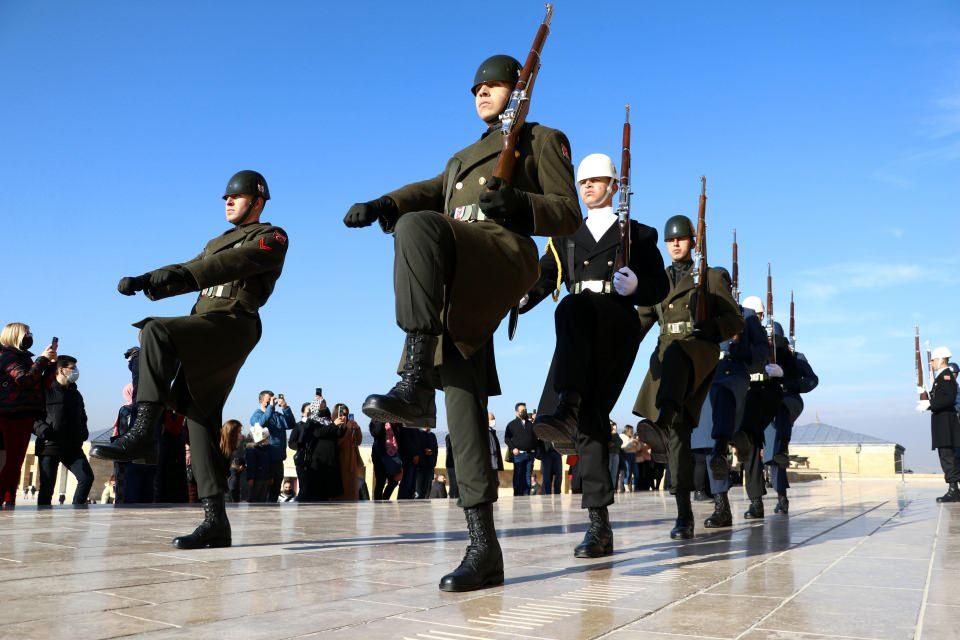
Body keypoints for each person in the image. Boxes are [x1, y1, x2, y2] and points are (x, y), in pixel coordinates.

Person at [343, 53, 580, 592]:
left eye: (494, 86)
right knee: (462, 385)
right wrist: (383, 202)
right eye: (475, 88)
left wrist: (520, 201)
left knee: (418, 228)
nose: (481, 93)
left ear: (519, 91)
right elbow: (428, 190)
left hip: (502, 254)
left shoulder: (541, 139)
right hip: (460, 274)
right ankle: (483, 546)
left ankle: (412, 376)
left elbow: (568, 212)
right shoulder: (460, 159)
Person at [91, 169, 288, 549]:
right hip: (206, 323)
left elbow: (224, 267)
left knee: (156, 331)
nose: (228, 201)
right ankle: (216, 521)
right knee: (199, 417)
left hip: (234, 323)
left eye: (237, 196)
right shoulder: (217, 240)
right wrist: (147, 280)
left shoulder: (272, 236)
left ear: (258, 202)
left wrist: (178, 273)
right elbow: (190, 271)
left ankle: (143, 434)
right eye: (226, 197)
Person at [522, 152, 669, 555]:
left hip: (616, 326)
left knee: (570, 310)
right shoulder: (566, 234)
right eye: (583, 182)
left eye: (597, 181)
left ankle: (563, 405)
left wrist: (637, 284)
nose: (588, 188)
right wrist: (519, 298)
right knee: (591, 419)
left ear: (614, 186)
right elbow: (544, 277)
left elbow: (659, 286)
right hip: (577, 331)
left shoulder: (637, 234)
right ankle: (599, 527)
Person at [633, 215, 744, 540]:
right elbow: (642, 322)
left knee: (679, 356)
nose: (676, 244)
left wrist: (712, 328)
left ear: (693, 242)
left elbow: (734, 320)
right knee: (680, 439)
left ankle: (661, 419)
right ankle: (684, 516)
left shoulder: (710, 276)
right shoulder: (658, 279)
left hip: (699, 349)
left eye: (682, 239)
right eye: (671, 240)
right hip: (668, 355)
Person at [689, 290, 768, 528]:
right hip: (709, 376)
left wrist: (743, 354)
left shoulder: (747, 316)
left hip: (736, 378)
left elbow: (762, 351)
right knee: (709, 443)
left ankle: (755, 499)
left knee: (747, 440)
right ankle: (721, 505)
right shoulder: (704, 310)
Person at [735, 298, 796, 520]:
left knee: (774, 452)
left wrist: (783, 374)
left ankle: (780, 496)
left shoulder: (777, 344)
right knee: (750, 448)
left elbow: (799, 375)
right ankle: (756, 502)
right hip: (749, 396)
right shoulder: (743, 337)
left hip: (771, 399)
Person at [0, 323, 57, 507]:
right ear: (15, 335)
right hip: (12, 414)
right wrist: (41, 360)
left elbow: (40, 385)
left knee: (14, 462)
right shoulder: (7, 356)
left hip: (23, 413)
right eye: (27, 333)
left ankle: (9, 500)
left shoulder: (24, 358)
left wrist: (50, 365)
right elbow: (24, 380)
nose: (29, 336)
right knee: (11, 461)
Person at [764, 327, 818, 514]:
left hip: (787, 401)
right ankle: (763, 498)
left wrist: (788, 384)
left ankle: (781, 497)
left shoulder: (795, 356)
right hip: (763, 402)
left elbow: (811, 380)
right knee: (770, 449)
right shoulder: (759, 351)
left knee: (777, 446)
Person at [33, 355, 94, 506]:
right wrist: (45, 431)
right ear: (61, 370)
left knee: (86, 478)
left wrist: (83, 433)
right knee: (47, 488)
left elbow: (83, 417)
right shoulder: (45, 390)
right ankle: (43, 522)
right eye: (72, 368)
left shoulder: (76, 394)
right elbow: (33, 417)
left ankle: (77, 512)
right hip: (50, 446)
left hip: (72, 446)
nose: (76, 371)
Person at [918, 346, 960, 502]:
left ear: (941, 359)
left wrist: (929, 404)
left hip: (946, 425)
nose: (931, 363)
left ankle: (953, 491)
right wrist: (925, 395)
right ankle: (954, 489)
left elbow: (948, 399)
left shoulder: (946, 377)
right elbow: (942, 397)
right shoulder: (942, 378)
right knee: (947, 456)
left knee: (947, 457)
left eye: (933, 360)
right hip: (943, 424)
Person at [288, 404, 343, 501]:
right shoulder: (301, 425)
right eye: (308, 411)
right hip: (306, 461)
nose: (310, 412)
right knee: (305, 488)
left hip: (325, 462)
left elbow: (337, 434)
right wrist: (302, 446)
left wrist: (340, 425)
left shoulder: (326, 424)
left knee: (323, 491)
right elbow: (292, 443)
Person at [250, 391, 295, 503]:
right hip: (264, 460)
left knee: (274, 493)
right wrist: (270, 407)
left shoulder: (277, 415)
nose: (271, 401)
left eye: (272, 399)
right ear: (261, 401)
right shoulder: (256, 415)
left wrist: (285, 407)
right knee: (262, 493)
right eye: (268, 400)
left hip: (278, 459)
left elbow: (291, 424)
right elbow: (260, 424)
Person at [332, 403, 364, 501]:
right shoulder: (333, 425)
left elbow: (358, 441)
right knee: (342, 489)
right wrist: (346, 430)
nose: (344, 416)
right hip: (340, 461)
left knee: (352, 489)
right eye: (342, 414)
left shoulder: (351, 425)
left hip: (352, 462)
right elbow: (337, 443)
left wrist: (357, 428)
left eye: (346, 414)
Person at [505, 403, 538, 496]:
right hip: (519, 455)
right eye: (522, 410)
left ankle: (527, 495)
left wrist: (534, 452)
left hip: (530, 455)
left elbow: (536, 438)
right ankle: (517, 495)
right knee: (518, 476)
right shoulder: (511, 424)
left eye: (525, 410)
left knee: (528, 476)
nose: (524, 412)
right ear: (516, 412)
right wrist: (513, 448)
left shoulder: (531, 424)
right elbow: (506, 438)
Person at [369, 421, 403, 500]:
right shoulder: (375, 420)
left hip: (393, 454)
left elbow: (399, 435)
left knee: (394, 481)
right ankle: (377, 504)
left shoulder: (394, 420)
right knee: (380, 481)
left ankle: (385, 499)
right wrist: (382, 421)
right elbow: (376, 433)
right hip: (380, 455)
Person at [416, 427, 439, 499]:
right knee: (418, 491)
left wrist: (431, 454)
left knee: (426, 491)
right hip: (420, 467)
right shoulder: (418, 434)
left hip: (429, 466)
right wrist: (424, 452)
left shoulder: (432, 435)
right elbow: (416, 448)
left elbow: (435, 450)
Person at [620, 425, 638, 492]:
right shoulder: (622, 436)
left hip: (633, 455)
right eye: (631, 430)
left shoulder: (632, 437)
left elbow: (638, 448)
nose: (632, 431)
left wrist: (637, 444)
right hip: (627, 455)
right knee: (627, 471)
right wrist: (631, 443)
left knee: (636, 473)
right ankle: (626, 487)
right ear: (627, 430)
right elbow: (622, 447)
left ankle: (633, 487)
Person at [444, 432, 459, 499]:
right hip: (451, 464)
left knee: (457, 484)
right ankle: (452, 498)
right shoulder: (449, 436)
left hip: (457, 464)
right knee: (453, 483)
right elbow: (450, 448)